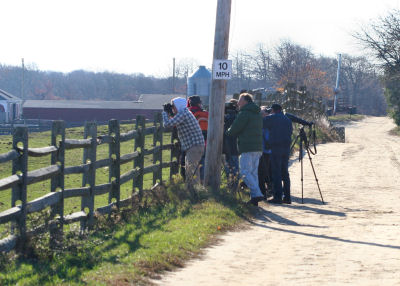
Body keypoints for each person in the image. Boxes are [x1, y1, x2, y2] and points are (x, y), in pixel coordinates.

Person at [263, 104, 312, 204]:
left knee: (276, 172)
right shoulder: (287, 118)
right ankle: (287, 197)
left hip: (276, 147)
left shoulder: (271, 118)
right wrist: (307, 123)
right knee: (284, 172)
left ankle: (277, 197)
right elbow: (297, 119)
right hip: (286, 148)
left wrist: (264, 114)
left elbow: (260, 123)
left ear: (272, 110)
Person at [226, 93, 264, 206]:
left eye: (240, 100)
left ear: (246, 101)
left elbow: (235, 128)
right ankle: (254, 199)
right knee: (253, 173)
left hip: (247, 146)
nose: (238, 103)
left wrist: (227, 131)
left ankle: (257, 194)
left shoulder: (244, 113)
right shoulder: (257, 113)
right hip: (257, 147)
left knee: (244, 172)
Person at [162, 97, 205, 195]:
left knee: (191, 171)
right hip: (194, 146)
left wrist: (165, 113)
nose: (173, 108)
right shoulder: (184, 112)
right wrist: (170, 113)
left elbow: (167, 124)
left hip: (194, 146)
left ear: (178, 105)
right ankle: (194, 192)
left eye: (173, 106)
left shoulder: (183, 114)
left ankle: (194, 194)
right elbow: (174, 120)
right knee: (191, 170)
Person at [187, 96, 209, 183]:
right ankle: (203, 182)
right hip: (206, 142)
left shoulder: (188, 113)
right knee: (203, 163)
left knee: (192, 165)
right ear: (199, 104)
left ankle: (193, 185)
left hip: (192, 144)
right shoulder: (206, 114)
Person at [223, 99, 239, 189]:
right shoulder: (238, 117)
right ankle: (234, 187)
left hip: (226, 146)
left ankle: (230, 186)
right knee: (235, 168)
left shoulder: (226, 118)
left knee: (228, 168)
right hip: (235, 147)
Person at [258, 106, 273, 199]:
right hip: (265, 151)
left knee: (263, 172)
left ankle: (264, 192)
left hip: (265, 151)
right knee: (264, 172)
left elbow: (267, 138)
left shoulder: (265, 124)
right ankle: (265, 191)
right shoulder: (267, 123)